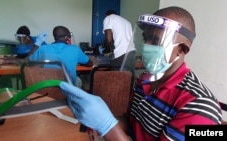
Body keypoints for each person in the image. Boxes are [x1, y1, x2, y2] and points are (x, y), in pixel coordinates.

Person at [59, 6, 223, 141]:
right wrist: (99, 122)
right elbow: (130, 121)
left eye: (156, 40)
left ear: (182, 49)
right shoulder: (145, 81)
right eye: (146, 38)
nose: (146, 46)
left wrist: (107, 126)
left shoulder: (199, 107)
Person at [29, 25, 93, 87]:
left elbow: (28, 60)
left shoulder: (42, 49)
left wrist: (37, 43)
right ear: (66, 37)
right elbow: (90, 64)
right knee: (78, 81)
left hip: (48, 86)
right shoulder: (75, 49)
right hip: (68, 88)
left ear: (54, 37)